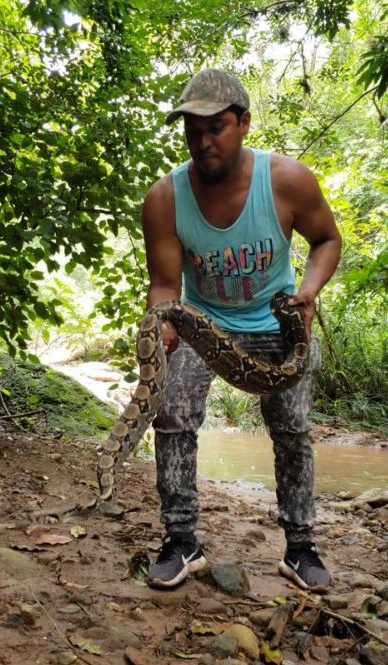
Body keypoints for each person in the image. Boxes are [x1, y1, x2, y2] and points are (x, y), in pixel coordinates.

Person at [139, 68, 342, 591]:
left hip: (277, 319)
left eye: (217, 127)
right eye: (193, 130)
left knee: (292, 429)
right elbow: (165, 284)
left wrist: (309, 294)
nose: (204, 141)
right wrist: (161, 326)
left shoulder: (287, 180)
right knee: (173, 414)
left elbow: (327, 241)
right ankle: (181, 540)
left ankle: (300, 547)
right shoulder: (165, 199)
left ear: (244, 122)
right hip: (204, 323)